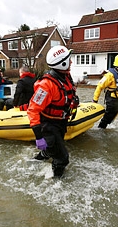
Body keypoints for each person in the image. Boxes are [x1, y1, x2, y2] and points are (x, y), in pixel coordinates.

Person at [27, 45, 79, 178]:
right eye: (69, 59)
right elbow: (33, 110)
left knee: (52, 149)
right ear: (63, 63)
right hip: (49, 125)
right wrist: (39, 137)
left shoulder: (65, 76)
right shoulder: (46, 85)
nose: (71, 62)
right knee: (62, 158)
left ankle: (35, 161)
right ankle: (57, 184)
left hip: (60, 122)